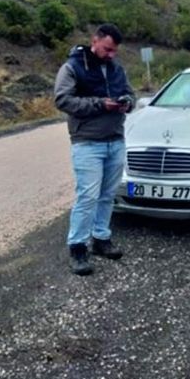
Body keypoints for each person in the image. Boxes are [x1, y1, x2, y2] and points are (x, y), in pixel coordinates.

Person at [54, 23, 135, 276]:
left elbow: (130, 94)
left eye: (114, 51)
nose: (111, 54)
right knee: (87, 196)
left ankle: (101, 239)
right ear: (95, 40)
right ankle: (77, 247)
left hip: (115, 140)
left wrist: (126, 103)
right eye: (107, 49)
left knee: (107, 194)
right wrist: (100, 104)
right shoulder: (72, 67)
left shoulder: (117, 69)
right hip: (87, 142)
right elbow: (62, 100)